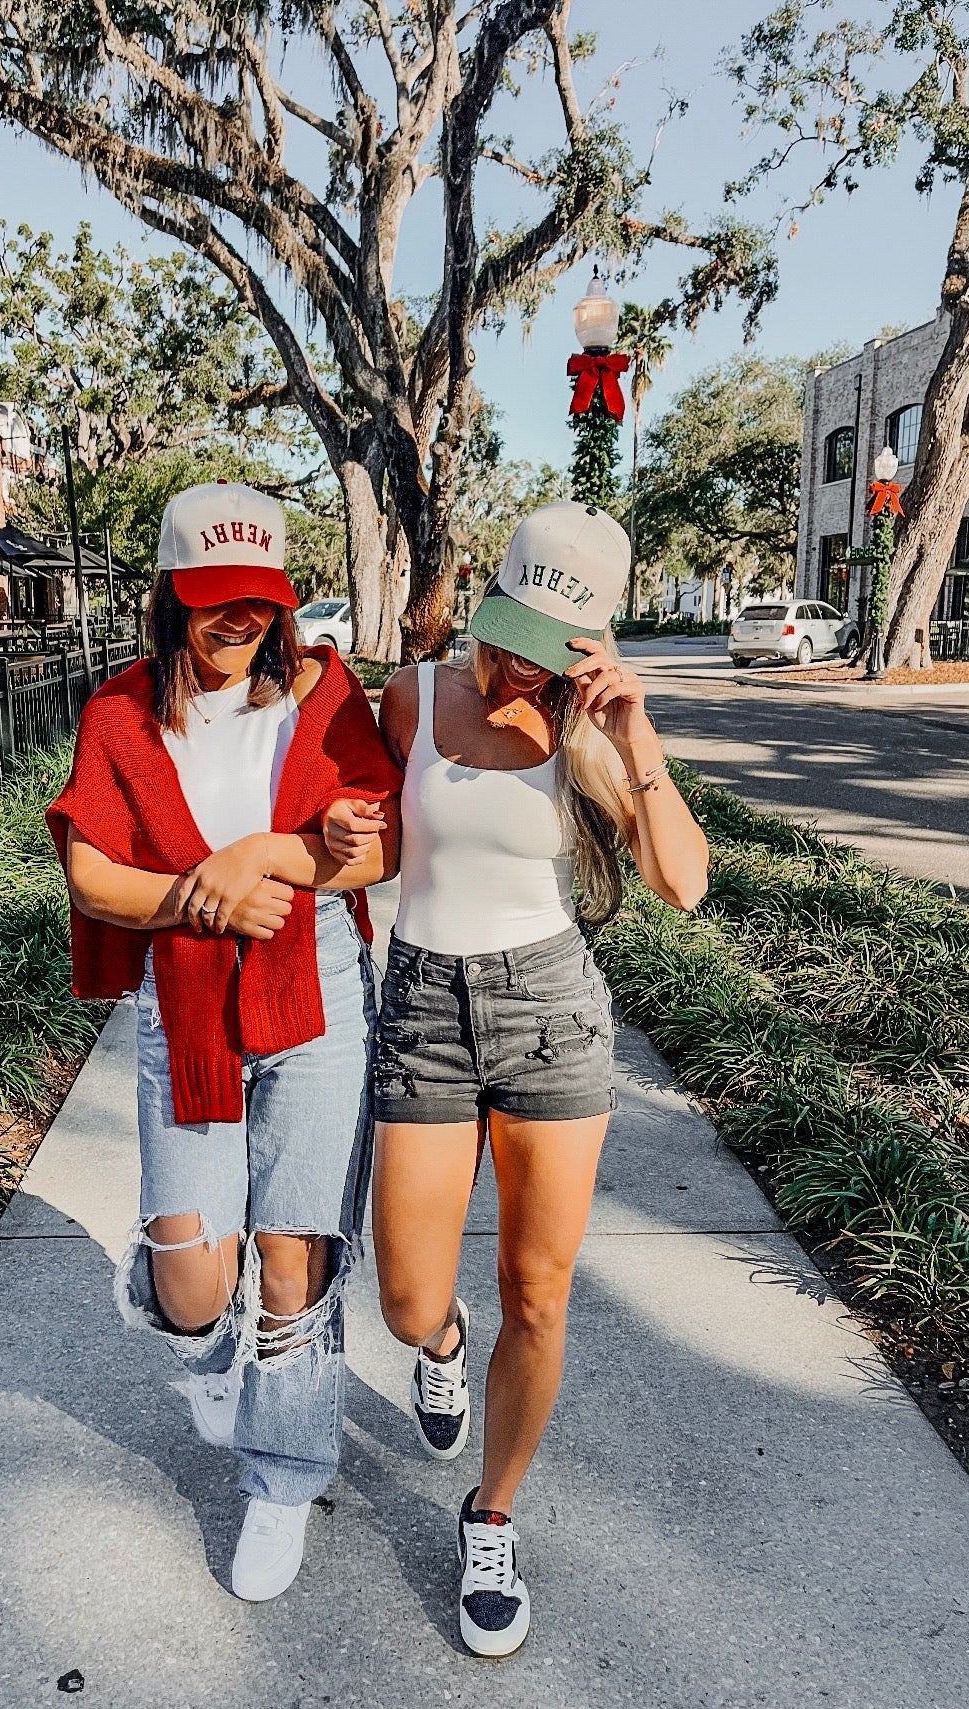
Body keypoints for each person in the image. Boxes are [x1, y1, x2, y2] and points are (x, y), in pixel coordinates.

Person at [323, 501, 709, 1657]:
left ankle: (490, 1514)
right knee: (404, 1295)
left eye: (538, 647)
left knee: (538, 1293)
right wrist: (358, 846)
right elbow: (388, 836)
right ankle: (442, 1354)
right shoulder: (415, 697)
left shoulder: (594, 737)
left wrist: (636, 737)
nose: (504, 662)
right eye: (501, 630)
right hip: (426, 1005)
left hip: (550, 1013)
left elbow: (682, 882)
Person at [47, 481, 399, 1604]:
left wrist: (271, 854)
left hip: (317, 994)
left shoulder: (323, 696)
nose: (235, 622)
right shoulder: (120, 713)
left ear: (281, 602)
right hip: (188, 1006)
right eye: (211, 601)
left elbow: (373, 851)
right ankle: (188, 1318)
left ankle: (282, 1476)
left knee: (291, 1259)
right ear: (170, 599)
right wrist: (203, 901)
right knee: (201, 1288)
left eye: (255, 600)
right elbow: (92, 876)